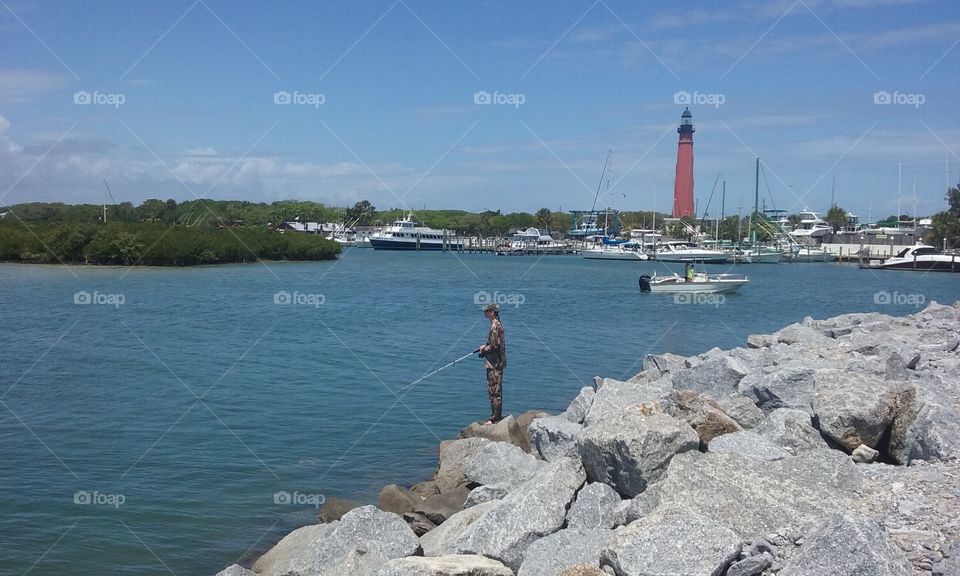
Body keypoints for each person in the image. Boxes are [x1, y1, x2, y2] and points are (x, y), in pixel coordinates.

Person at [478, 303, 506, 424]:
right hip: (494, 362)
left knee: (494, 389)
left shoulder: (495, 326)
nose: (484, 313)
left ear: (492, 312)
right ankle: (494, 415)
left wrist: (483, 349)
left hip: (495, 363)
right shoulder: (496, 325)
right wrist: (485, 347)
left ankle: (495, 418)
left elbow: (494, 346)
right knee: (493, 389)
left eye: (487, 311)